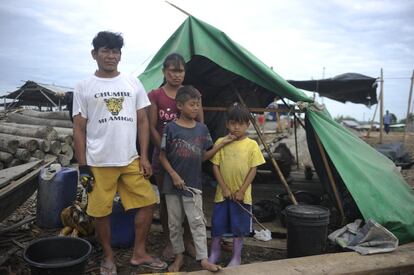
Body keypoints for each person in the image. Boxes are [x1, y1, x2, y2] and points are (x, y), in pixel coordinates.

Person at [73, 31, 167, 275]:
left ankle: (139, 253)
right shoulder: (84, 86)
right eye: (105, 50)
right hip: (99, 161)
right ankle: (108, 257)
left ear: (120, 55)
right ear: (94, 54)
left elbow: (143, 121)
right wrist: (83, 166)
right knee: (100, 212)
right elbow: (79, 128)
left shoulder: (132, 82)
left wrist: (144, 156)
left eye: (115, 51)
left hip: (130, 160)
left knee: (148, 203)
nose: (111, 56)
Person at [159, 85, 234, 272]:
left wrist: (220, 144)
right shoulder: (171, 128)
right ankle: (178, 258)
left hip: (193, 185)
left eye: (198, 105)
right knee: (174, 224)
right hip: (171, 186)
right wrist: (174, 175)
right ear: (180, 105)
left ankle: (203, 259)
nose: (195, 108)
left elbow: (203, 157)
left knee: (197, 222)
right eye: (192, 104)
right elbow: (162, 156)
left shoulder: (202, 129)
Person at [148, 53, 203, 260]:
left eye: (180, 70)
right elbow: (153, 127)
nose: (176, 75)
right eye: (172, 70)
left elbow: (200, 126)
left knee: (190, 199)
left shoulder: (192, 93)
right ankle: (170, 241)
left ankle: (188, 240)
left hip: (189, 157)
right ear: (164, 71)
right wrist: (164, 149)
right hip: (162, 158)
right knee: (166, 201)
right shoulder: (155, 95)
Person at [208, 103, 265, 267]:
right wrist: (224, 188)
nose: (236, 127)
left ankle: (236, 256)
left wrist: (241, 190)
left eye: (240, 124)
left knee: (238, 227)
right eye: (233, 123)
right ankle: (215, 252)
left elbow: (253, 169)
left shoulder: (252, 145)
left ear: (248, 124)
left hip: (242, 196)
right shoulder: (221, 142)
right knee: (218, 224)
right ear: (227, 124)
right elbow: (215, 166)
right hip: (222, 194)